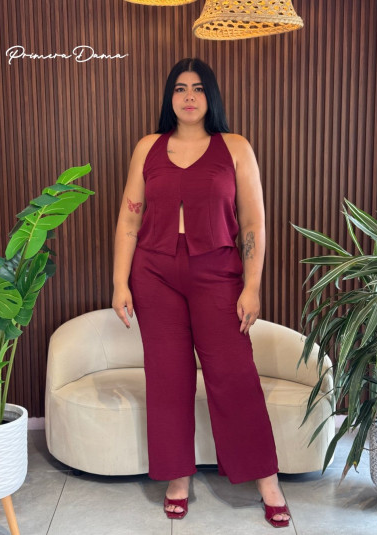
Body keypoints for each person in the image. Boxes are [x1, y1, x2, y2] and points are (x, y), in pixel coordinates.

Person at [112, 58, 291, 529]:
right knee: (167, 377)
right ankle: (177, 476)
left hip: (218, 272)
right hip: (154, 274)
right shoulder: (148, 147)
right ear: (169, 97)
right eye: (179, 88)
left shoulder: (235, 147)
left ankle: (266, 480)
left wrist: (252, 286)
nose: (188, 96)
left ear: (211, 96)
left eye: (197, 88)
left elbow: (253, 222)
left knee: (234, 375)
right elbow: (130, 216)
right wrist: (119, 282)